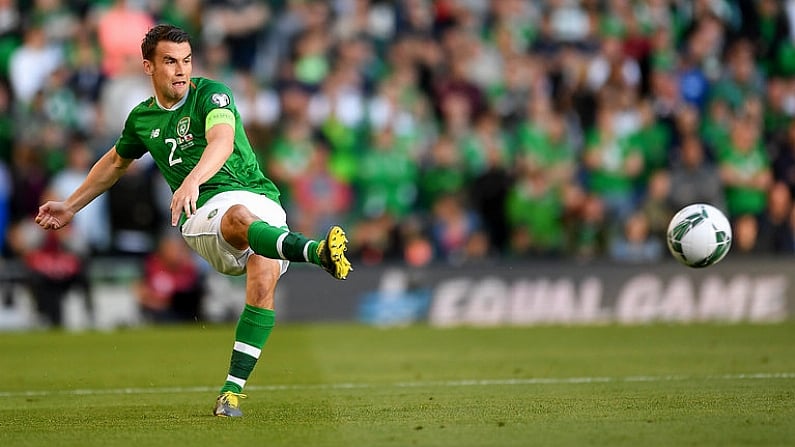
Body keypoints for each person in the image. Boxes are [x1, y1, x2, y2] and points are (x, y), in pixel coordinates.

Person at [34, 24, 352, 418]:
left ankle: (231, 392)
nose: (181, 70)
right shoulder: (143, 118)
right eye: (170, 62)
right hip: (202, 210)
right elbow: (116, 162)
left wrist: (190, 178)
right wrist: (71, 205)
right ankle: (316, 251)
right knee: (238, 218)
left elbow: (221, 139)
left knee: (263, 274)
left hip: (259, 195)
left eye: (186, 61)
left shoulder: (212, 93)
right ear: (148, 66)